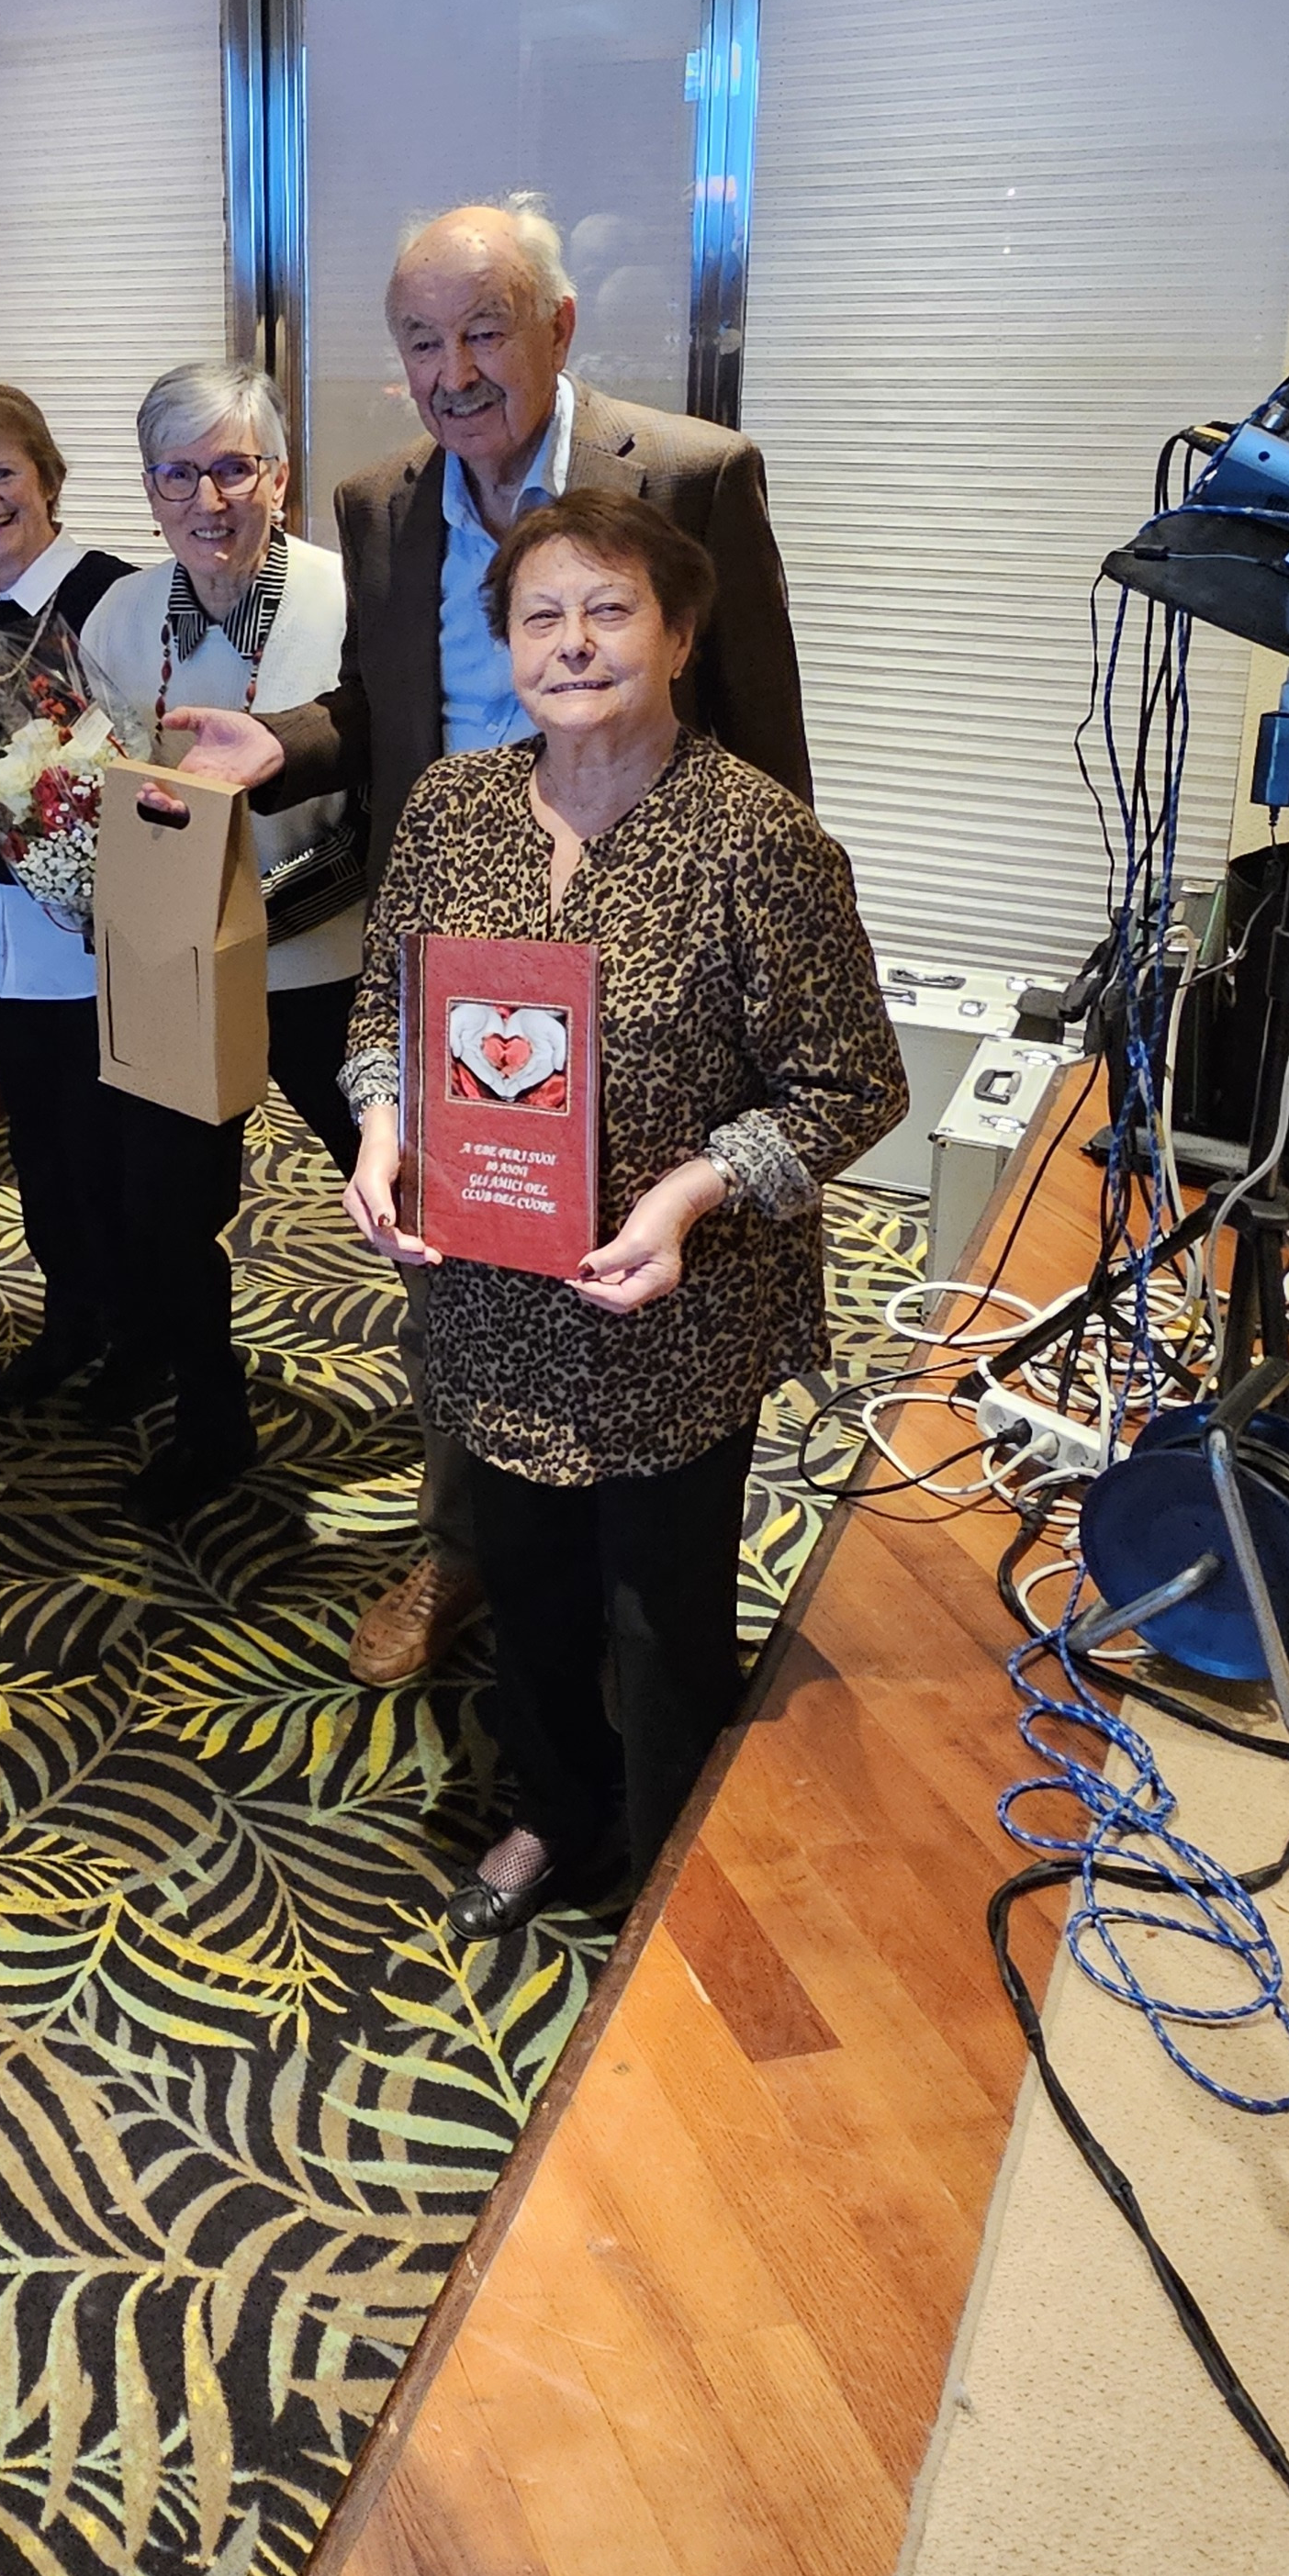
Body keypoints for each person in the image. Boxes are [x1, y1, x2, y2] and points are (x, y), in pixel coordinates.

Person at [167, 197, 813, 1688]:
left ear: (557, 328)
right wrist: (280, 743)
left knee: (643, 1255)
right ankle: (470, 1548)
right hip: (467, 949)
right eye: (421, 342)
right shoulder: (381, 501)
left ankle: (645, 1577)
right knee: (459, 1264)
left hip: (646, 942)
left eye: (483, 331)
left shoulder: (692, 474)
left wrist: (766, 956)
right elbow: (382, 706)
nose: (452, 370)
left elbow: (766, 736)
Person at [342, 490, 901, 1936]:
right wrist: (384, 1123)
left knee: (662, 1624)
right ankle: (553, 1810)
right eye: (541, 616)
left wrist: (693, 1189)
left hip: (670, 1315)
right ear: (506, 646)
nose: (573, 643)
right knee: (524, 1587)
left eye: (609, 610)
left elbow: (852, 1085)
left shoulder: (757, 839)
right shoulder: (452, 810)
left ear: (682, 635)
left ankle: (671, 1870)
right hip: (491, 1292)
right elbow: (387, 1011)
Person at [75, 361, 367, 1521]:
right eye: (177, 473)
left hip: (328, 962)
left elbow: (392, 793)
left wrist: (257, 914)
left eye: (234, 468)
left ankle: (469, 1441)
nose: (207, 499)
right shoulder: (119, 615)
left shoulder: (349, 599)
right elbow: (97, 791)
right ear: (150, 488)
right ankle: (210, 1421)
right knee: (165, 1208)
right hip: (176, 974)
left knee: (402, 1197)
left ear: (279, 478)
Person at [0, 382, 134, 1407]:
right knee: (35, 1136)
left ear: (47, 476)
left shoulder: (113, 592)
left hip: (96, 923)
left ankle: (138, 1332)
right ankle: (69, 1317)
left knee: (105, 1138)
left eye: (3, 472)